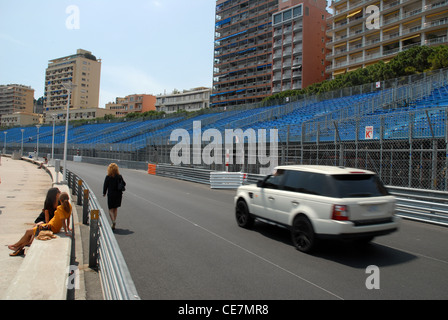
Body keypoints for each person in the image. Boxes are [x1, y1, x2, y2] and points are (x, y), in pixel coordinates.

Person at [8, 192, 72, 257]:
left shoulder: (60, 208)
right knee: (30, 233)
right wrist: (68, 227)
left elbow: (63, 220)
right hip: (52, 227)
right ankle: (18, 247)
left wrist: (66, 231)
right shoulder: (69, 207)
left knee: (28, 232)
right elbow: (68, 218)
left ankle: (17, 246)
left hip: (50, 227)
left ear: (60, 200)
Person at [103, 163, 126, 231]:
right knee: (115, 208)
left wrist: (104, 193)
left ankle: (113, 221)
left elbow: (105, 186)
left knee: (110, 209)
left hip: (111, 194)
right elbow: (124, 183)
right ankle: (114, 220)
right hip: (118, 194)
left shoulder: (108, 177)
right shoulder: (119, 176)